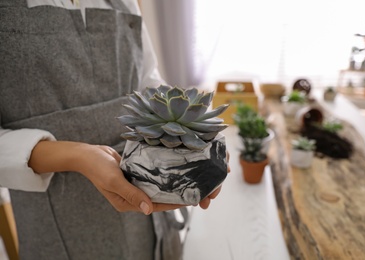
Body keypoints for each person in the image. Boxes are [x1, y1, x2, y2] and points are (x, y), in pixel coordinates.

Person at [0, 0, 226, 259]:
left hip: (148, 187)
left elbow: (147, 81)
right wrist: (79, 156)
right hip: (56, 212)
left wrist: (197, 137)